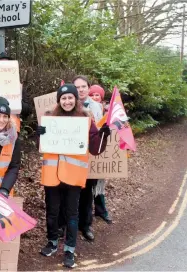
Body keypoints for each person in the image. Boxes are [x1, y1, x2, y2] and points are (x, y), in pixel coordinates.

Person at [36, 84, 110, 268]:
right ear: (59, 101)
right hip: (52, 175)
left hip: (73, 176)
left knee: (72, 214)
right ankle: (52, 242)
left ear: (76, 99)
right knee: (52, 213)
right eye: (64, 98)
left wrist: (103, 135)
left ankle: (69, 248)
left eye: (70, 98)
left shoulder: (85, 119)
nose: (67, 101)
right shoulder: (50, 118)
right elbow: (42, 146)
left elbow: (95, 148)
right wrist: (39, 135)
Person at [72, 75, 103, 241]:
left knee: (87, 192)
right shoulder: (68, 103)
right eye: (77, 87)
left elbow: (101, 126)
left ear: (88, 87)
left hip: (90, 154)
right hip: (72, 155)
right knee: (70, 192)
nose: (81, 90)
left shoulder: (97, 106)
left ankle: (86, 225)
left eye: (83, 86)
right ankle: (69, 224)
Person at [89, 84, 112, 224]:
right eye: (92, 95)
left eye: (97, 95)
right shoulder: (84, 111)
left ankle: (101, 210)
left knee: (99, 184)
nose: (94, 97)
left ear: (101, 98)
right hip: (89, 152)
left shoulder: (109, 113)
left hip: (102, 153)